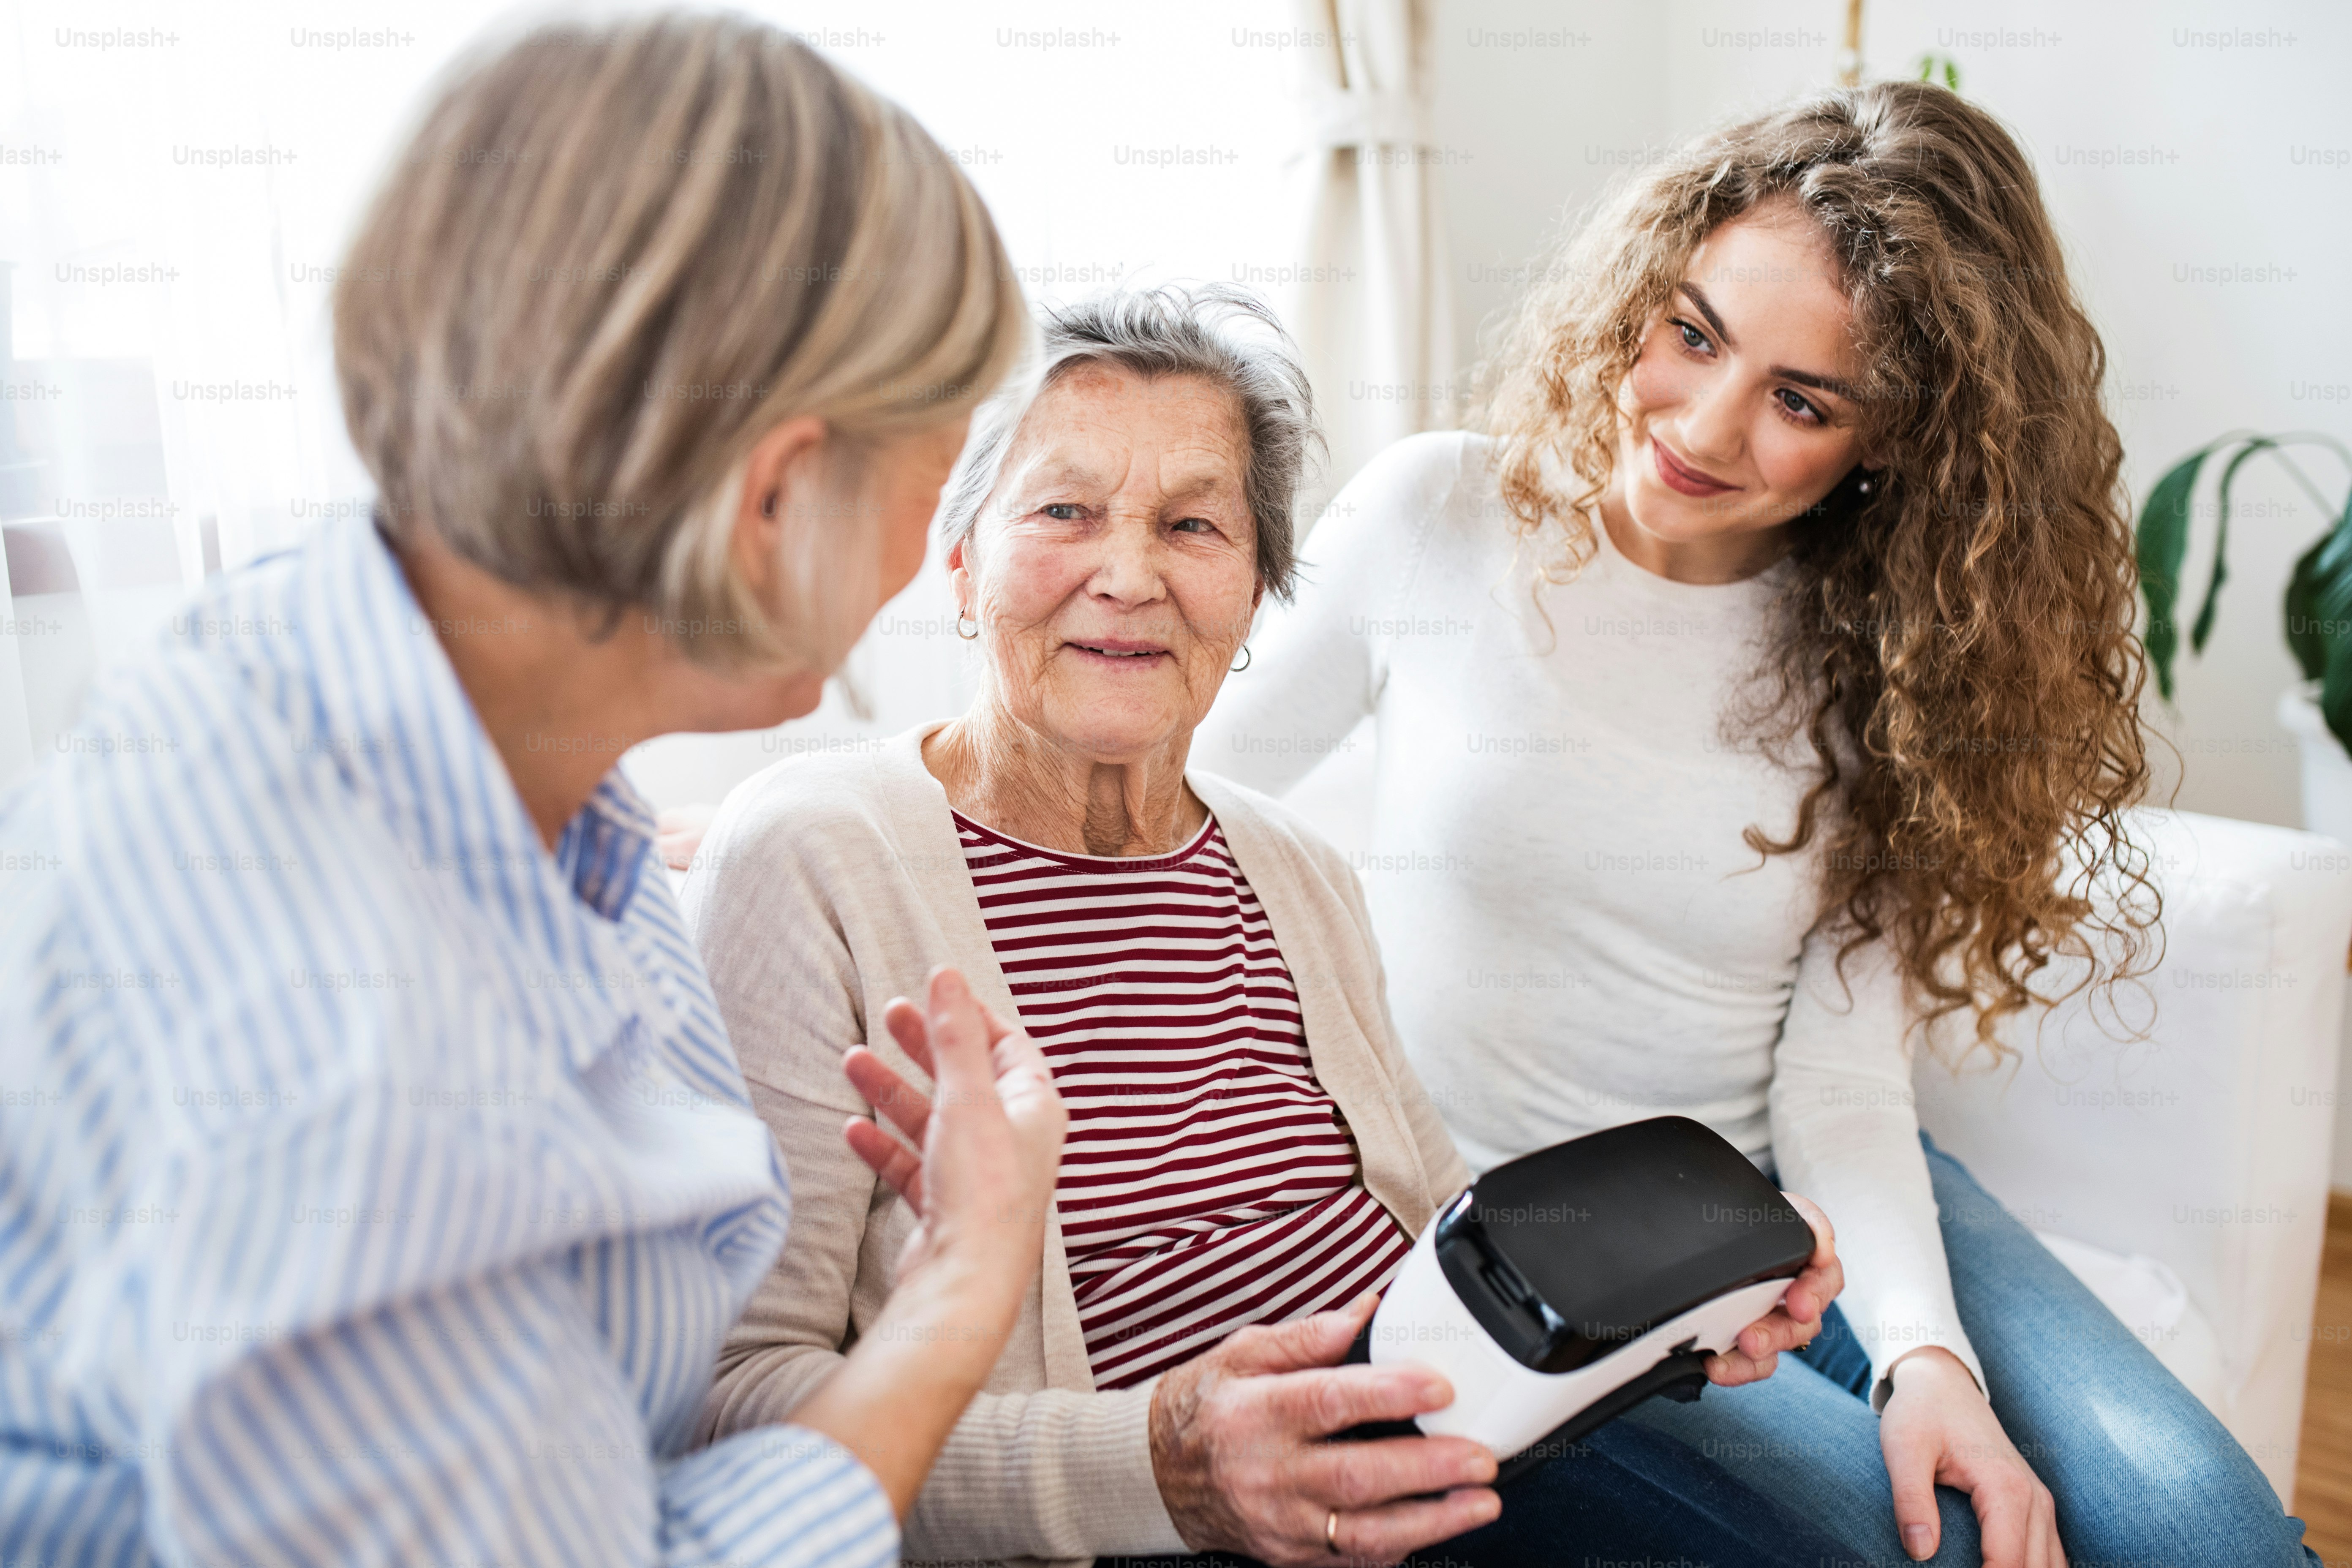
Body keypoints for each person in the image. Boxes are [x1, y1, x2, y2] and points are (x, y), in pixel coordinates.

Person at [1195, 80, 2322, 1567]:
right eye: (1694, 333)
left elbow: (1841, 1083)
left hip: (1790, 1197)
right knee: (1920, 1549)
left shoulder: (1899, 662)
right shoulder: (1437, 516)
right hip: (1529, 1242)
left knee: (2203, 1536)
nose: (1703, 425)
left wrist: (1926, 1359)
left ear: (1892, 443)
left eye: (1804, 402)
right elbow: (1176, 820)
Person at [0, 17, 1067, 1566]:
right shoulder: (347, 1057)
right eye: (939, 481)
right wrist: (969, 1280)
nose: (921, 559)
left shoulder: (387, 695)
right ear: (776, 499)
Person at [685, 286, 1850, 1568]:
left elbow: (1442, 1232)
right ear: (963, 562)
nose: (1129, 576)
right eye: (1065, 512)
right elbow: (732, 1411)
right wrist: (1163, 1467)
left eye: (1194, 526)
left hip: (1455, 1445)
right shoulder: (815, 853)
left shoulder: (1295, 869)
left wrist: (1650, 1328)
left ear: (1253, 595)